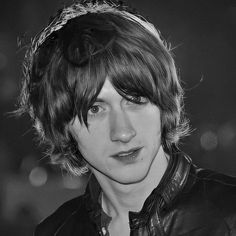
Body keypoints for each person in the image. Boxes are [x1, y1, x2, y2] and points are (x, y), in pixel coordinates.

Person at [17, 0, 236, 235]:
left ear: (164, 103)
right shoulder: (55, 231)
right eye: (94, 109)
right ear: (61, 125)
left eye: (135, 100)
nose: (123, 132)